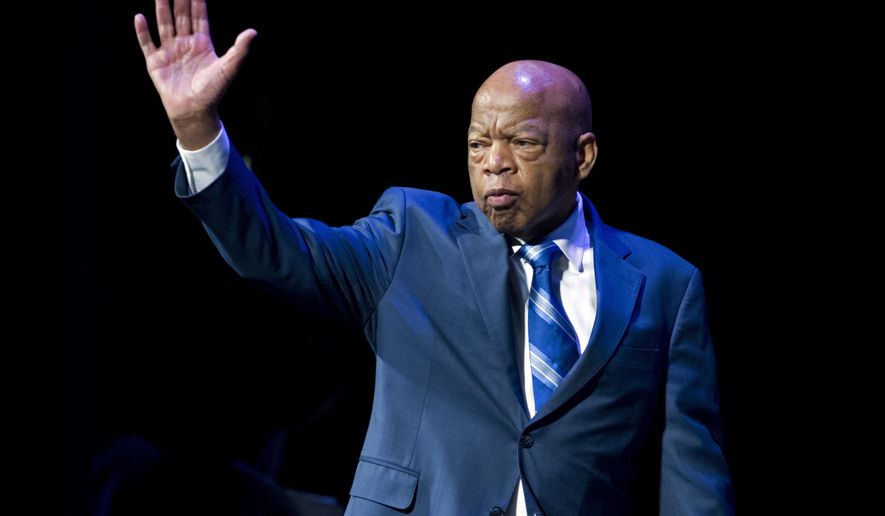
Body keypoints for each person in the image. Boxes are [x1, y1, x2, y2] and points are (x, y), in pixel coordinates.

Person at [134, 1, 734, 514]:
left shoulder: (665, 284)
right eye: (478, 143)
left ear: (583, 156)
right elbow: (276, 250)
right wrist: (197, 129)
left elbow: (691, 474)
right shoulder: (411, 235)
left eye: (522, 142)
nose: (493, 162)